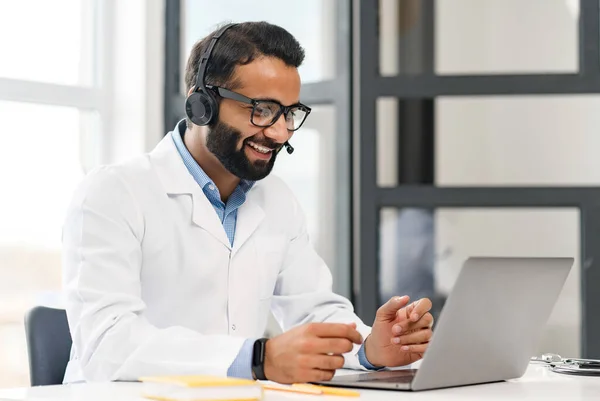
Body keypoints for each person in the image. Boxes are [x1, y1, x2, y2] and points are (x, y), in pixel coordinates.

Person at [61, 21, 433, 385]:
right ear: (201, 104)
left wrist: (370, 348)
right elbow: (108, 343)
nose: (279, 132)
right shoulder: (113, 193)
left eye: (289, 113)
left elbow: (314, 308)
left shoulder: (278, 201)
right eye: (262, 109)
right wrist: (257, 359)